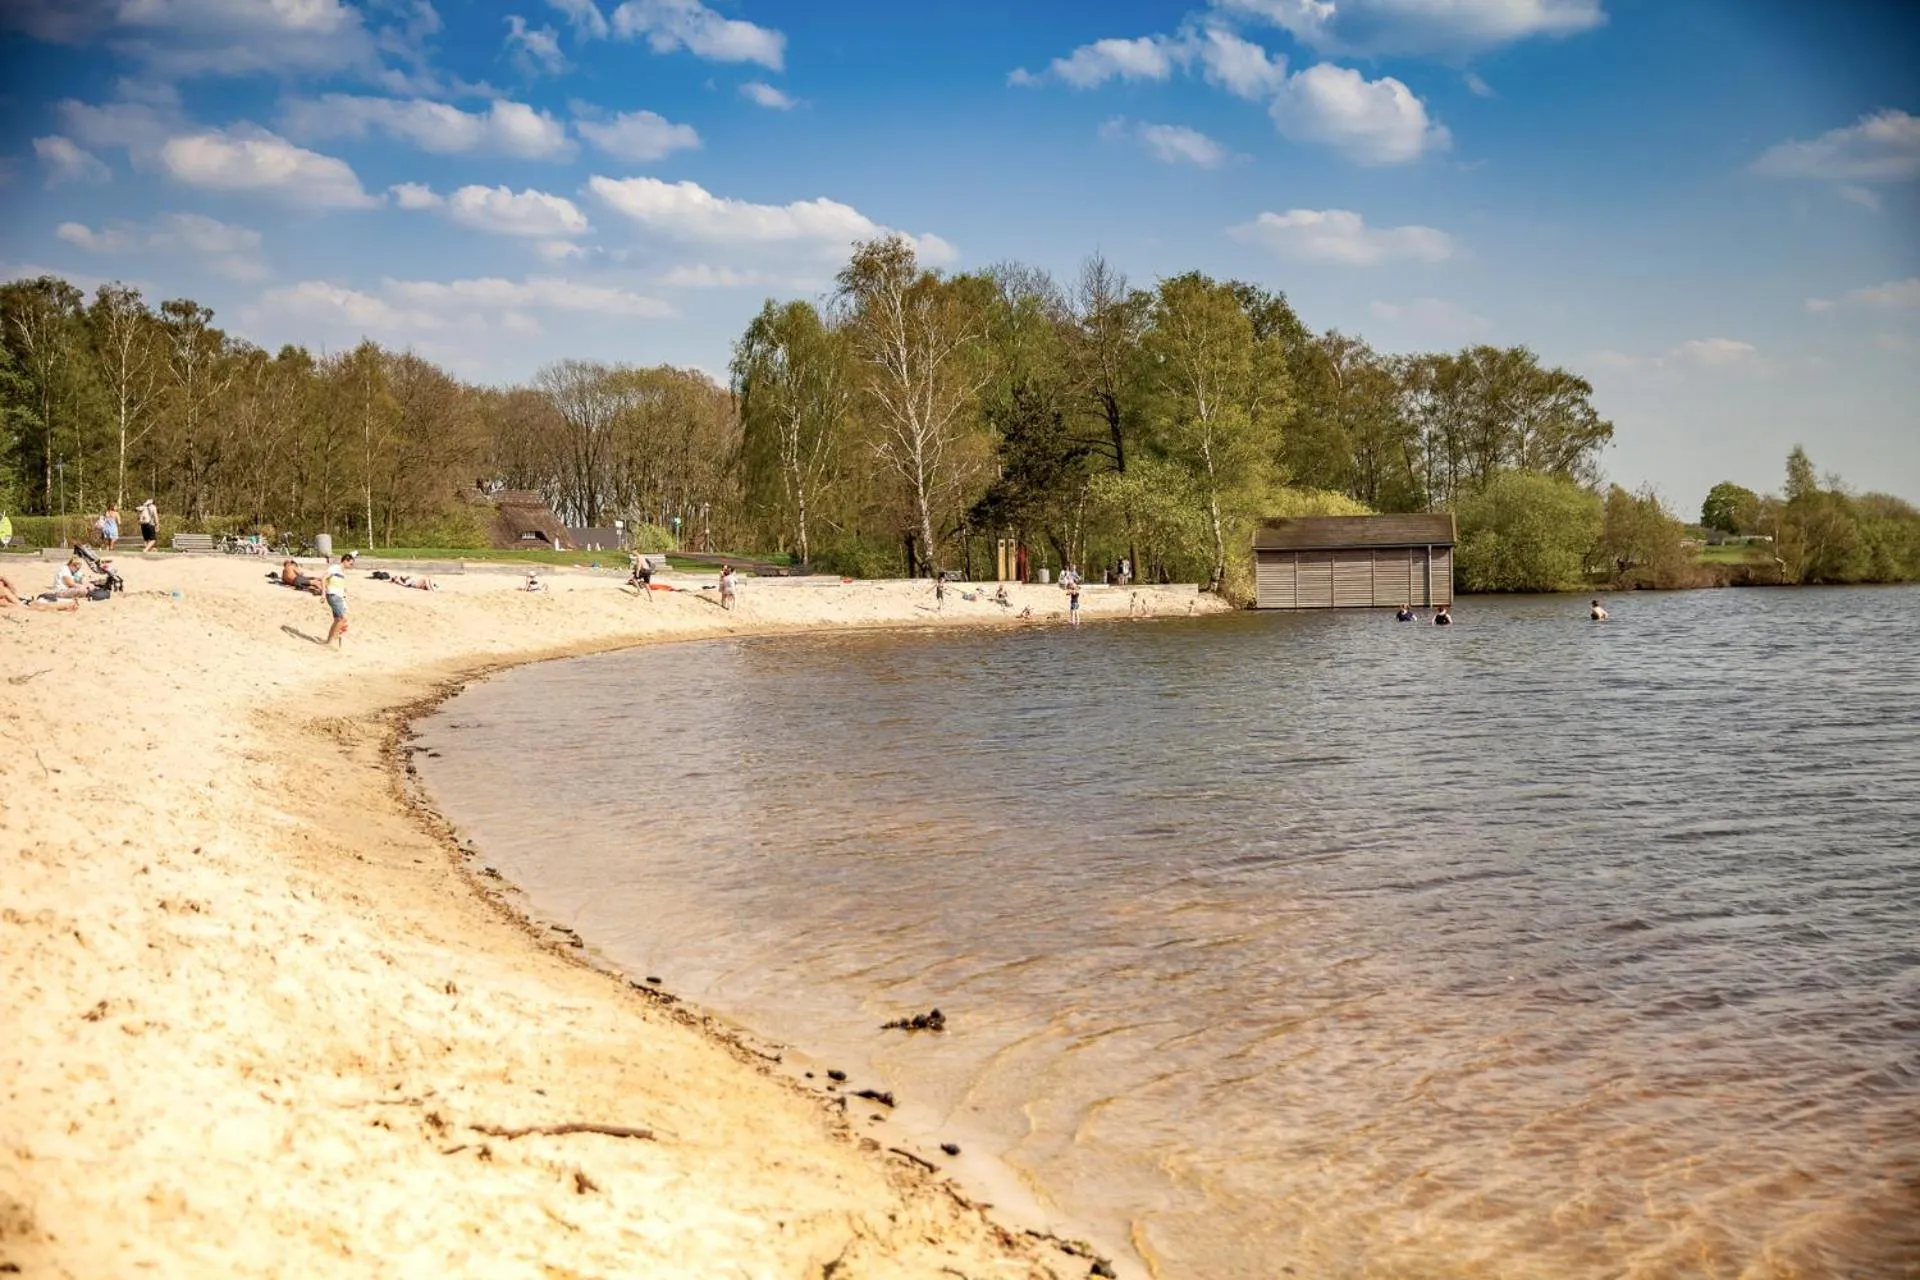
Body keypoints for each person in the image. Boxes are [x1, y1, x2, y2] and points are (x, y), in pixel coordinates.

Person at [322, 552, 355, 648]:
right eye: (350, 563)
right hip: (333, 595)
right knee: (341, 619)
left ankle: (329, 641)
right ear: (345, 561)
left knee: (337, 620)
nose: (351, 566)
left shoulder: (341, 572)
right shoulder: (335, 568)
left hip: (338, 596)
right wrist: (323, 594)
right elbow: (324, 578)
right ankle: (333, 639)